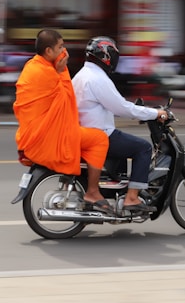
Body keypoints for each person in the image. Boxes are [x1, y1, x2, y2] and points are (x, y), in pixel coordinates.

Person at [13, 29, 112, 213]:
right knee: (99, 138)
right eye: (60, 47)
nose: (64, 51)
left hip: (33, 133)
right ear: (49, 51)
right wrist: (61, 71)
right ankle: (92, 191)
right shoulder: (47, 72)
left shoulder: (32, 66)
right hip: (51, 135)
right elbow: (67, 98)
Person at [72, 36, 168, 214]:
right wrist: (155, 113)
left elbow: (114, 106)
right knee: (143, 148)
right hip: (99, 134)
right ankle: (131, 198)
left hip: (84, 131)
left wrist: (139, 110)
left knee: (124, 145)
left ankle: (117, 193)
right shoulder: (97, 79)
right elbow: (122, 108)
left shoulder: (81, 75)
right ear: (106, 56)